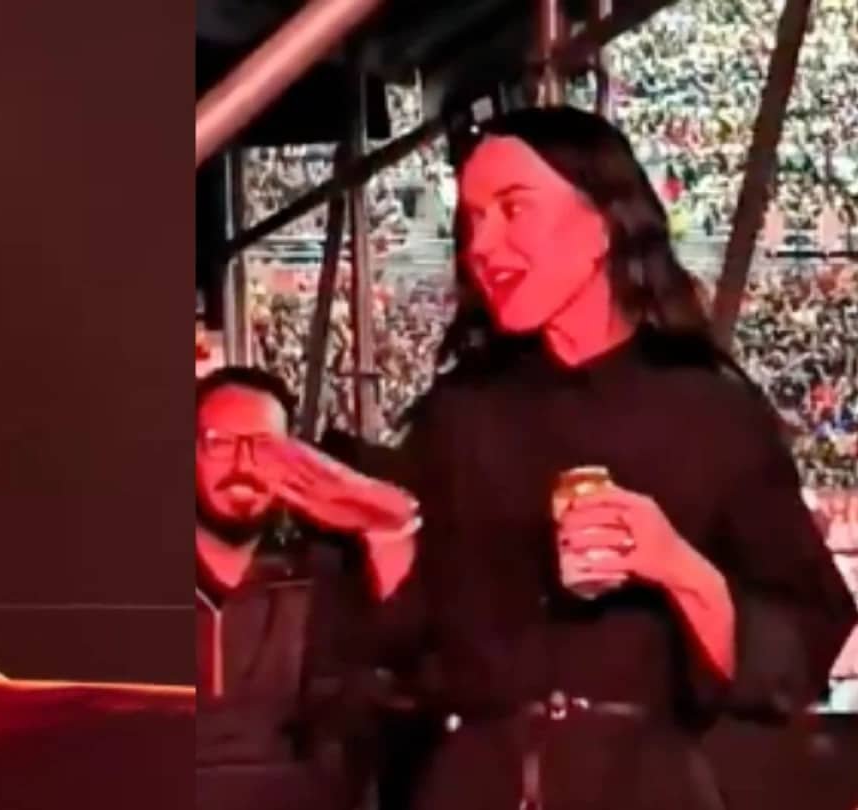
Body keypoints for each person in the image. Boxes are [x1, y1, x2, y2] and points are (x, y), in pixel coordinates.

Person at [287, 107, 856, 809]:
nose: (482, 246)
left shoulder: (714, 414)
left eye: (513, 209)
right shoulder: (457, 416)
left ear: (602, 224)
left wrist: (679, 569)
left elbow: (807, 633)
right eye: (471, 221)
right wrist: (387, 533)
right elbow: (409, 657)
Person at [195, 366, 419, 810]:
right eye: (220, 443)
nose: (243, 466)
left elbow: (405, 661)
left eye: (265, 447)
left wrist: (386, 522)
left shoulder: (324, 581)